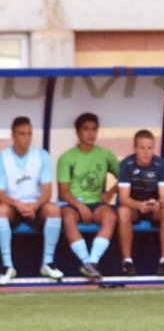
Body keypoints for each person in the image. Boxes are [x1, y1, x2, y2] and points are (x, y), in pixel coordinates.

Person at [57, 112, 120, 283]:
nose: (91, 134)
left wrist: (111, 192)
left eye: (94, 129)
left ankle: (92, 262)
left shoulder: (105, 154)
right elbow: (63, 192)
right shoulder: (67, 158)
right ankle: (85, 261)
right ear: (77, 132)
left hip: (97, 203)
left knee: (111, 216)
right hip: (73, 203)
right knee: (68, 218)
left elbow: (125, 177)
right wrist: (79, 205)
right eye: (86, 129)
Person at [0, 116, 63, 285]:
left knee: (54, 209)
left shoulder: (41, 155)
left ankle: (47, 263)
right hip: (13, 206)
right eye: (22, 134)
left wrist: (34, 205)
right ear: (13, 135)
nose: (26, 138)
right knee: (1, 211)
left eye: (29, 134)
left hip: (36, 207)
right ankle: (7, 266)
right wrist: (18, 204)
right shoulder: (3, 157)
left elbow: (47, 191)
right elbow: (0, 193)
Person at [117, 129, 164, 276]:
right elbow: (123, 197)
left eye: (150, 148)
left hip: (153, 207)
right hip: (134, 207)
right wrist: (139, 206)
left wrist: (158, 204)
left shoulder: (160, 164)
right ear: (135, 148)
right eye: (142, 148)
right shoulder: (126, 164)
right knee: (123, 211)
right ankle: (127, 261)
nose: (146, 152)